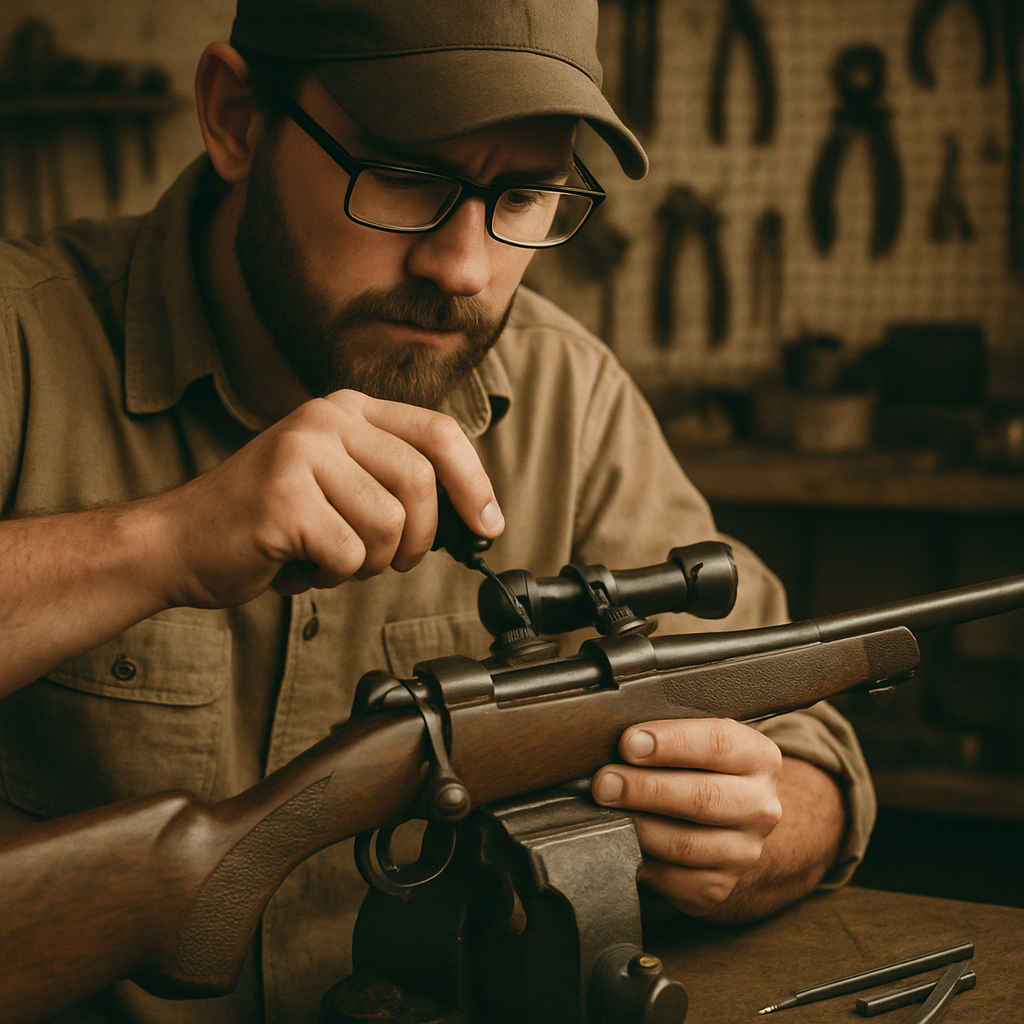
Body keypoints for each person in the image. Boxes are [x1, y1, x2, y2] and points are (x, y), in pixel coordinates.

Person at [0, 1, 875, 1021]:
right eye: (408, 175)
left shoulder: (571, 398)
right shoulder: (22, 342)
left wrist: (763, 828)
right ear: (236, 116)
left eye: (525, 193)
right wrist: (163, 543)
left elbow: (806, 745)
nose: (462, 268)